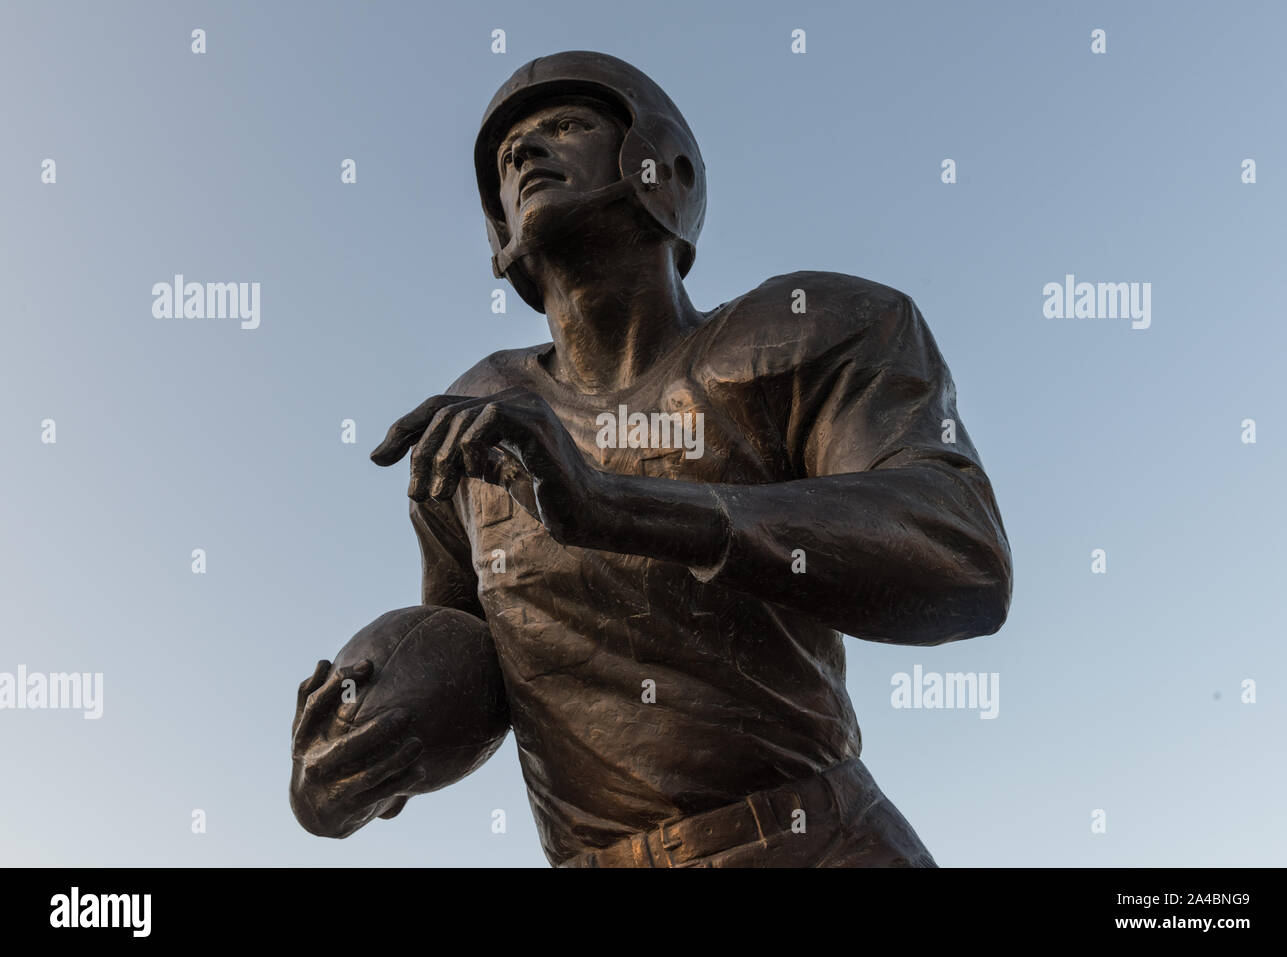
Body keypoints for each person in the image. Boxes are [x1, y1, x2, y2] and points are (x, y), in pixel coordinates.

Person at [293, 51, 1013, 867]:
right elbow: (482, 653)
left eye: (566, 127)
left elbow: (961, 553)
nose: (526, 154)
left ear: (659, 163)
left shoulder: (804, 330)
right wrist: (359, 753)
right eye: (507, 156)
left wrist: (620, 505)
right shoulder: (478, 422)